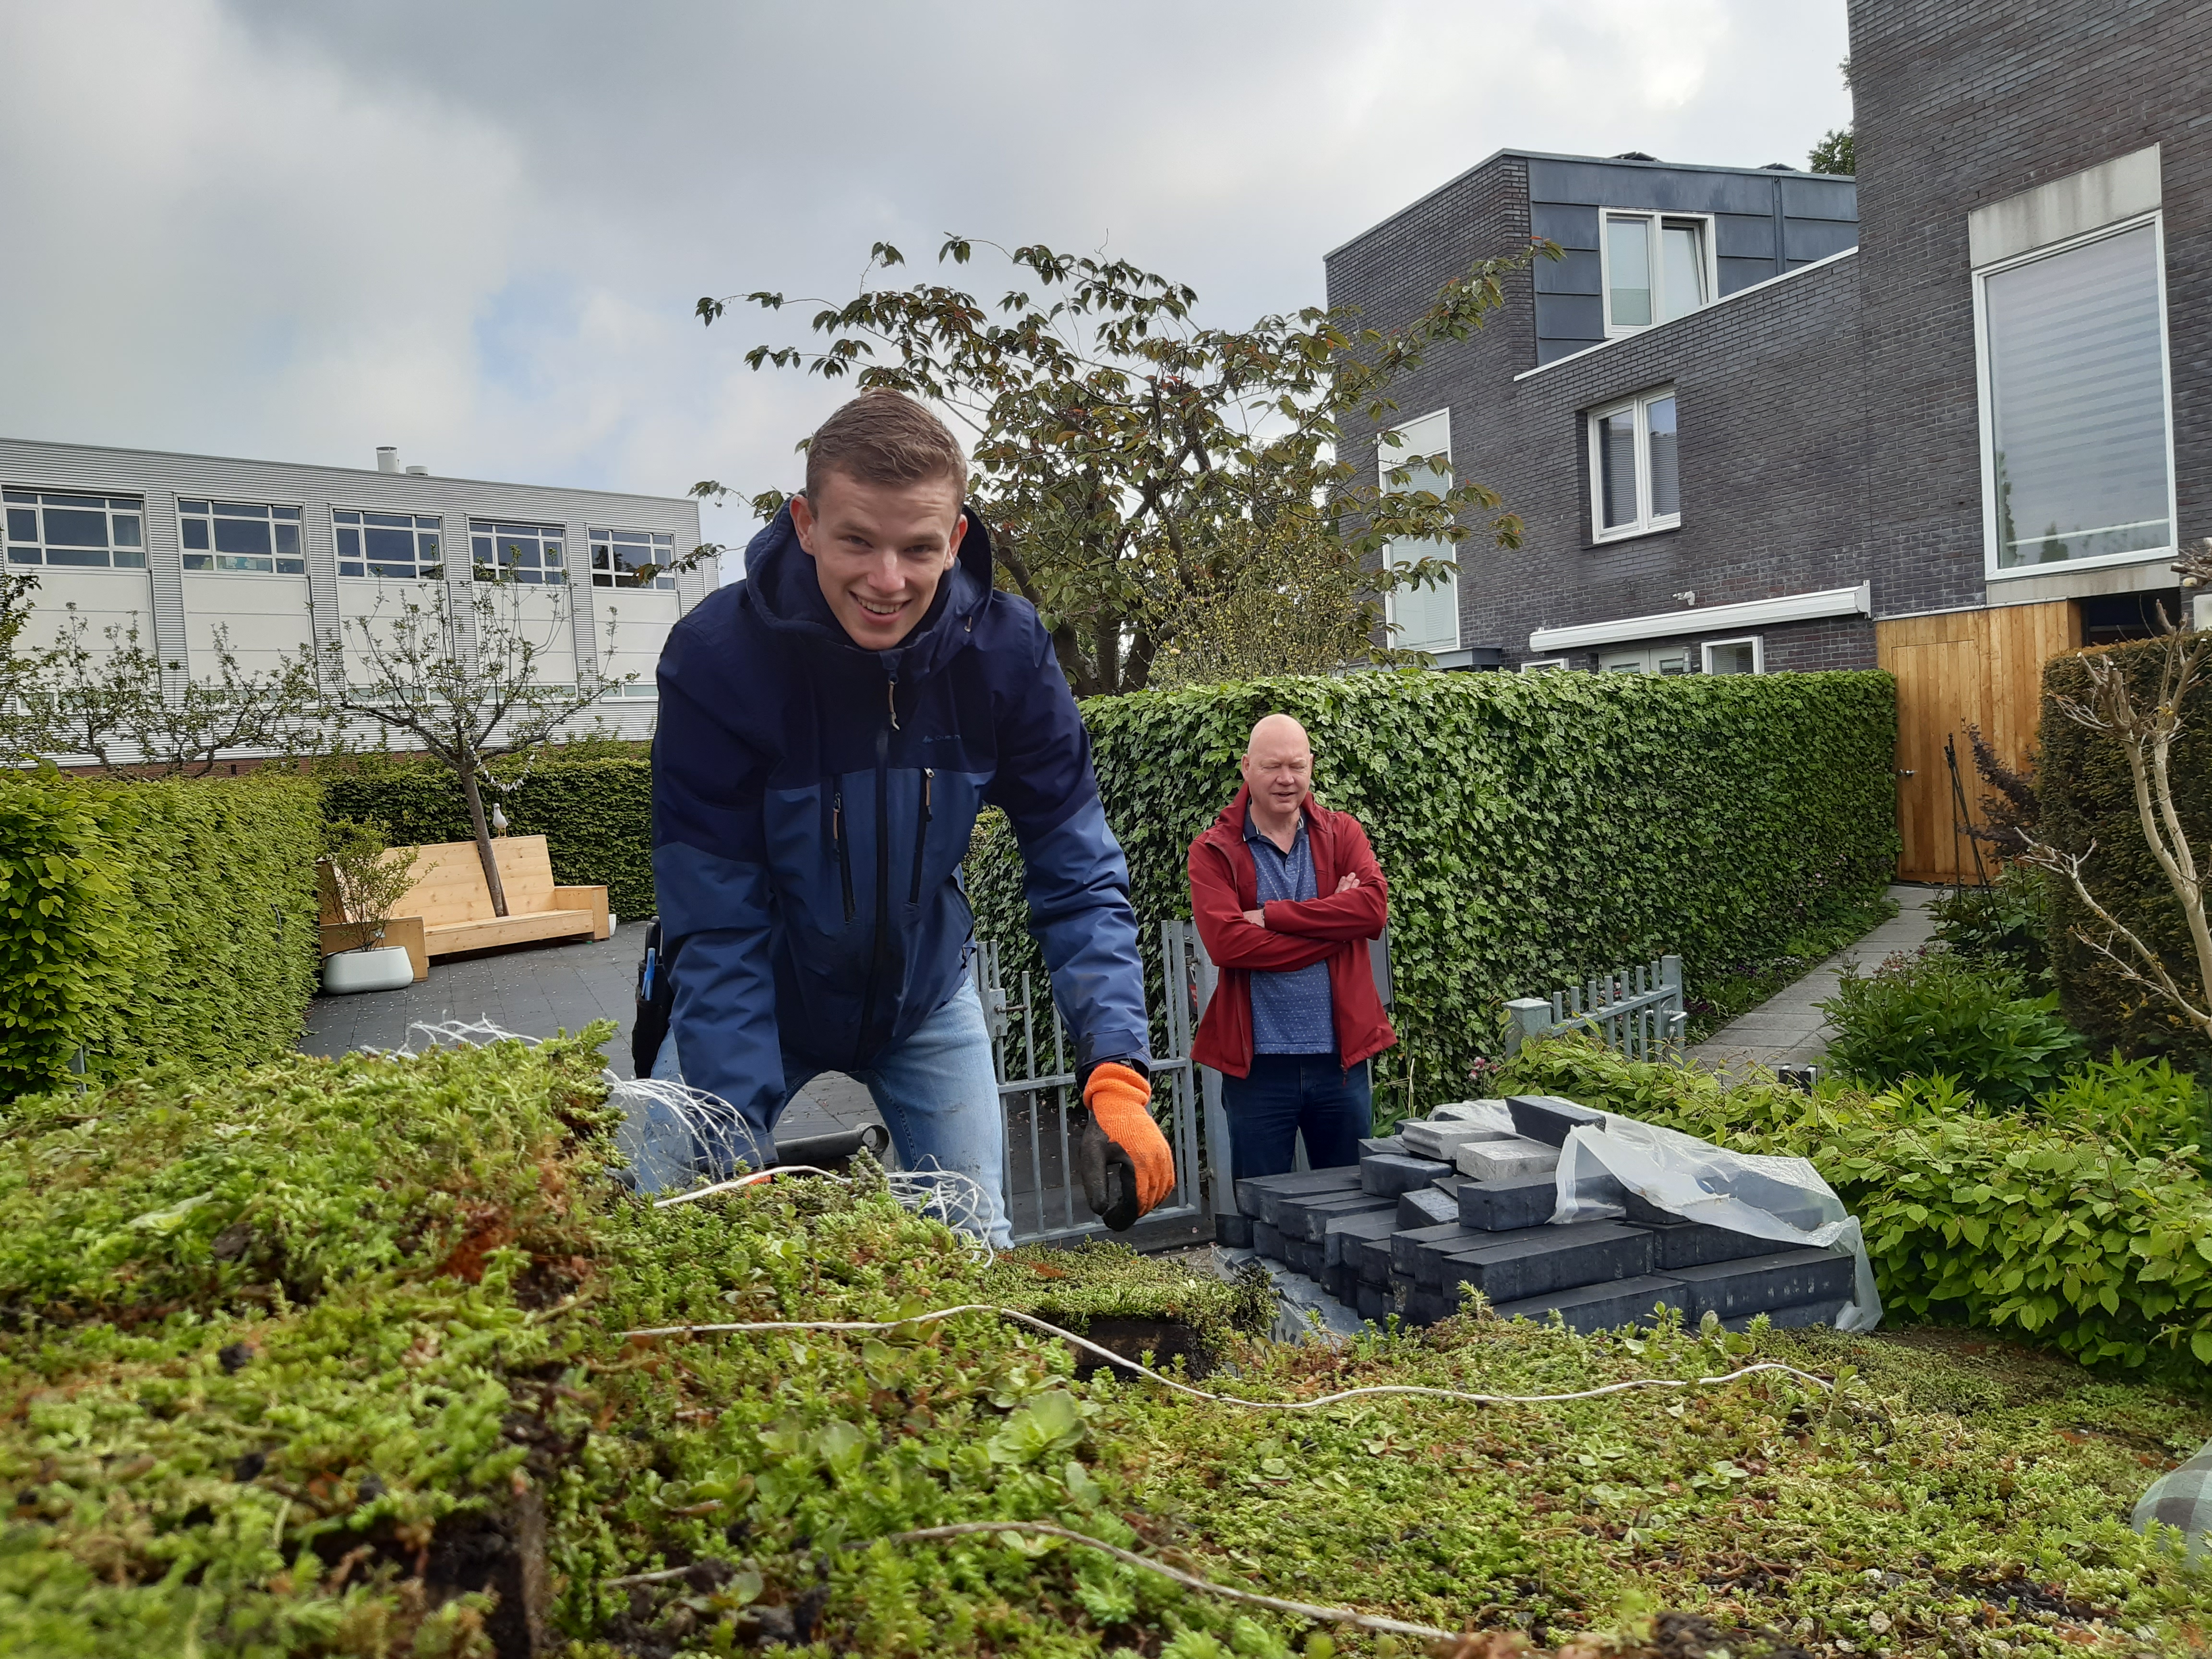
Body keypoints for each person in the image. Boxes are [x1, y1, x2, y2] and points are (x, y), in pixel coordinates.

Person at [648, 389, 1174, 1247]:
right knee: (679, 1236)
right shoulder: (717, 661)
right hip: (758, 997)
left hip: (922, 999)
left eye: (918, 547)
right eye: (856, 539)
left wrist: (1115, 1068)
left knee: (974, 1249)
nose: (887, 581)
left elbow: (1075, 869)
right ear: (806, 522)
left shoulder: (1007, 656)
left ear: (956, 538)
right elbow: (712, 920)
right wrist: (732, 1142)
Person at [1187, 714, 1395, 1180]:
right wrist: (1335, 924)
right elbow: (1228, 945)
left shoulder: (1342, 833)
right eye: (1272, 766)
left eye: (1297, 766)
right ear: (1246, 768)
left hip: (1340, 1063)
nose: (1286, 779)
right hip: (1258, 1068)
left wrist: (1276, 917)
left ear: (1311, 767)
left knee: (1348, 1205)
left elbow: (1373, 911)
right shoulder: (1213, 850)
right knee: (1264, 1208)